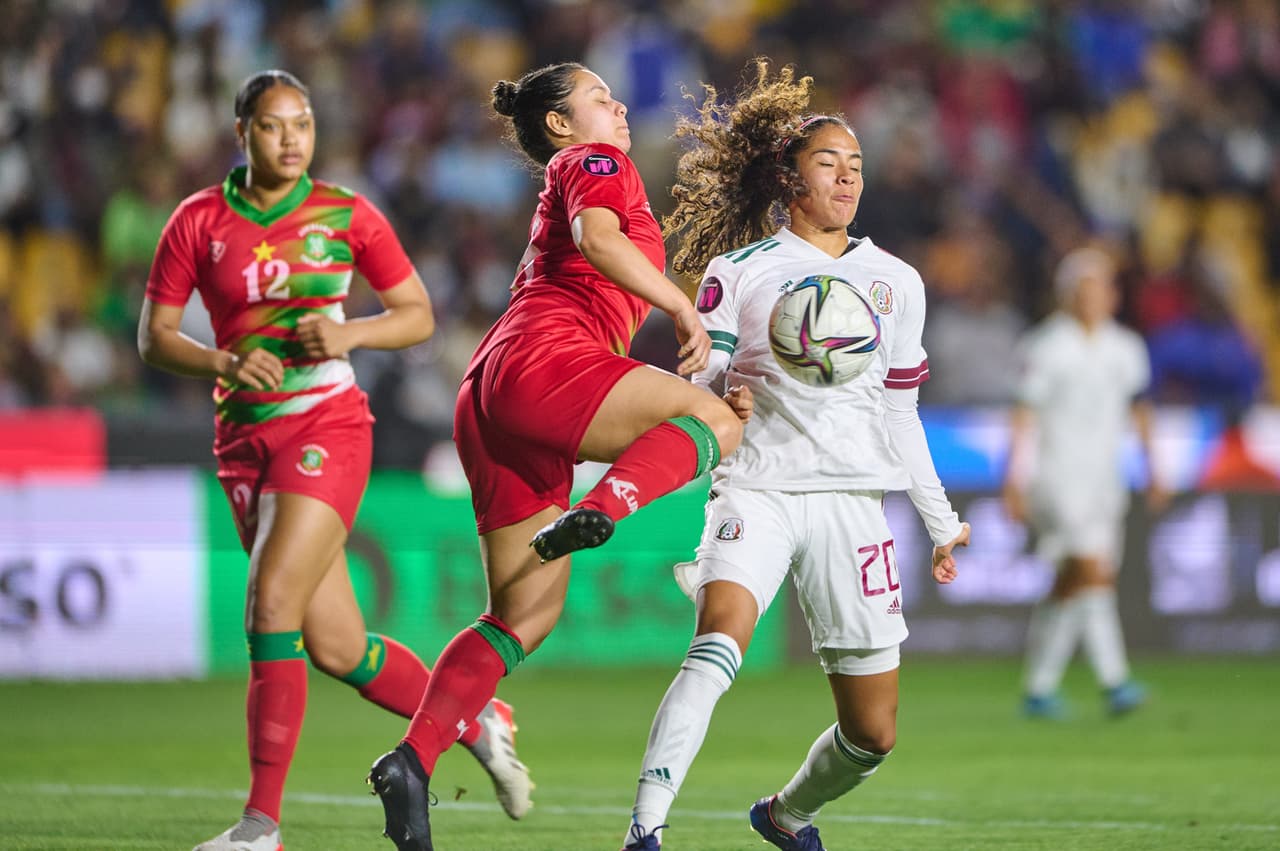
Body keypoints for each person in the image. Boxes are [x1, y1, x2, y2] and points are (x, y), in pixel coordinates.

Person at [138, 70, 531, 851]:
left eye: (304, 124)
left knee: (269, 606)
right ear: (242, 130)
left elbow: (416, 313)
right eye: (275, 125)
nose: (292, 138)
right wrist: (221, 363)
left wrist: (348, 334)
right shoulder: (198, 221)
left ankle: (260, 826)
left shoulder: (345, 214)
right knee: (338, 647)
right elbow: (155, 338)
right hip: (241, 440)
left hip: (327, 424)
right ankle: (476, 716)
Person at [365, 62, 744, 851]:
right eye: (599, 97)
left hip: (493, 391)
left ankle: (413, 757)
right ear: (562, 127)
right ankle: (599, 508)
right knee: (717, 420)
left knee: (523, 616)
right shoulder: (596, 162)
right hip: (546, 360)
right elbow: (597, 238)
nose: (618, 104)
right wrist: (677, 303)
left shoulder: (579, 169)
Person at [621, 60, 970, 851]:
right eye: (828, 164)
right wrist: (721, 398)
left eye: (856, 166)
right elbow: (702, 376)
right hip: (759, 488)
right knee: (717, 643)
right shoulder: (739, 272)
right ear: (788, 178)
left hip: (853, 500)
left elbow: (901, 411)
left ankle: (784, 814)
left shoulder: (896, 282)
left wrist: (941, 521)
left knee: (873, 734)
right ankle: (644, 829)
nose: (847, 179)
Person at [1002, 246, 1165, 720]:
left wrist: (1154, 466)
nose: (1095, 295)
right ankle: (1116, 680)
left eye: (1102, 286)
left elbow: (1139, 408)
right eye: (1085, 286)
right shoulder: (1045, 346)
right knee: (1093, 571)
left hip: (1103, 479)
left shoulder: (1126, 348)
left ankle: (1038, 687)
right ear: (1068, 293)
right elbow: (1023, 415)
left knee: (1074, 580)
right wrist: (1014, 479)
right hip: (1057, 477)